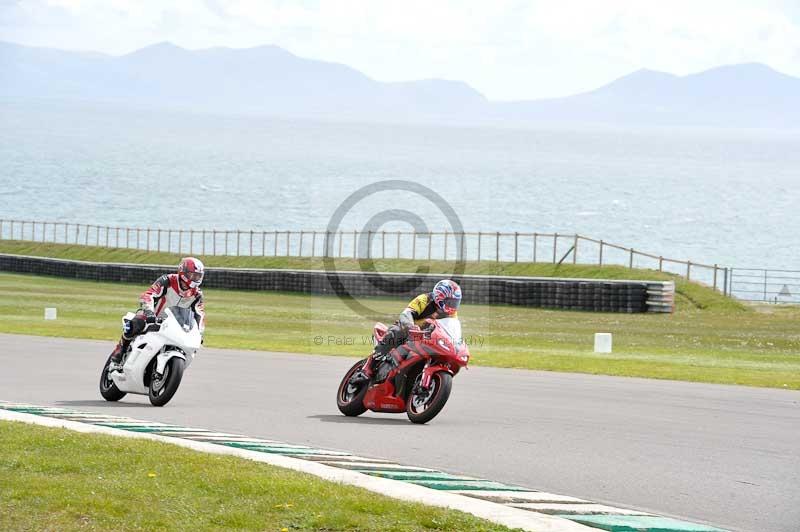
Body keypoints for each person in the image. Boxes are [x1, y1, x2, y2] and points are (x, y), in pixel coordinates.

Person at [355, 279, 462, 381]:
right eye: (450, 302)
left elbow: (451, 328)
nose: (452, 306)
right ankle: (369, 366)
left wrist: (456, 342)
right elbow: (406, 314)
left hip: (427, 337)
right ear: (440, 297)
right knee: (397, 332)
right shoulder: (424, 299)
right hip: (408, 330)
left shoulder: (451, 314)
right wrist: (410, 326)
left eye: (455, 303)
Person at [108, 257, 206, 366]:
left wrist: (199, 333)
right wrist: (149, 312)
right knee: (137, 322)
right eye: (193, 275)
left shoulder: (197, 294)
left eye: (198, 276)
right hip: (153, 316)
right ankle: (120, 349)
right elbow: (149, 294)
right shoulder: (167, 280)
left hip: (176, 325)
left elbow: (200, 315)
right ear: (183, 272)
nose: (195, 278)